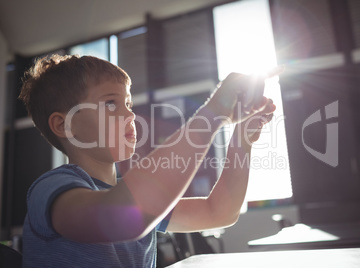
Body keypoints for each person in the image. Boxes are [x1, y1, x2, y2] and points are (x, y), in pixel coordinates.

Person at [19, 54, 280, 267]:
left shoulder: (129, 195)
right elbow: (118, 219)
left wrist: (242, 139)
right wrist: (213, 115)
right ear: (64, 125)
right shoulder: (51, 188)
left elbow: (220, 211)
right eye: (111, 104)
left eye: (129, 104)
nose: (129, 115)